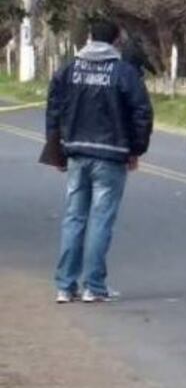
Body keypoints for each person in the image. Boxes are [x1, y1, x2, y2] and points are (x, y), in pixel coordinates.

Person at [46, 20, 154, 303]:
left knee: (74, 217)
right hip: (111, 153)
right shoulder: (123, 73)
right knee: (101, 219)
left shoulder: (69, 69)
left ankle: (65, 286)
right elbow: (142, 112)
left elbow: (54, 110)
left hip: (76, 152)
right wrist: (136, 149)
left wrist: (56, 149)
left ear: (90, 38)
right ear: (116, 41)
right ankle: (93, 286)